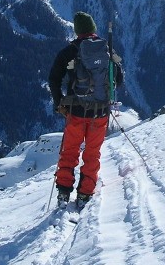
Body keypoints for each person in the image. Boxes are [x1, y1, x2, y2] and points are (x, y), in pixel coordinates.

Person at [48, 12, 123, 210]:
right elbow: (119, 79)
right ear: (93, 28)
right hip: (100, 113)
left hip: (76, 112)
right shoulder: (107, 50)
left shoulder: (69, 51)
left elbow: (54, 78)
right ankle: (85, 193)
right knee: (92, 153)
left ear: (77, 31)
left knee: (70, 151)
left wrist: (59, 103)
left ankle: (64, 192)